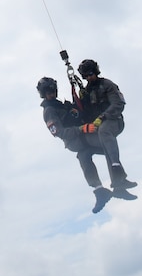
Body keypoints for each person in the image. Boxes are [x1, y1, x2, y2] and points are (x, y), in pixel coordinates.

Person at [37, 76, 116, 213]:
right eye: (49, 93)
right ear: (43, 94)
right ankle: (117, 179)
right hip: (75, 140)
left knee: (84, 155)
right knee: (106, 144)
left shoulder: (59, 105)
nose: (52, 94)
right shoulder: (49, 111)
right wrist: (82, 129)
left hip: (81, 139)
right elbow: (59, 132)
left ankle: (99, 190)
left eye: (53, 91)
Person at [78, 59, 137, 199]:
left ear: (96, 72)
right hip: (99, 128)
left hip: (114, 121)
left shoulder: (108, 85)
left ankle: (116, 167)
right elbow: (86, 113)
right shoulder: (87, 91)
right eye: (85, 76)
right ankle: (118, 186)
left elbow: (118, 104)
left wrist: (103, 117)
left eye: (90, 74)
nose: (88, 78)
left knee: (104, 131)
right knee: (94, 145)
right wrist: (81, 101)